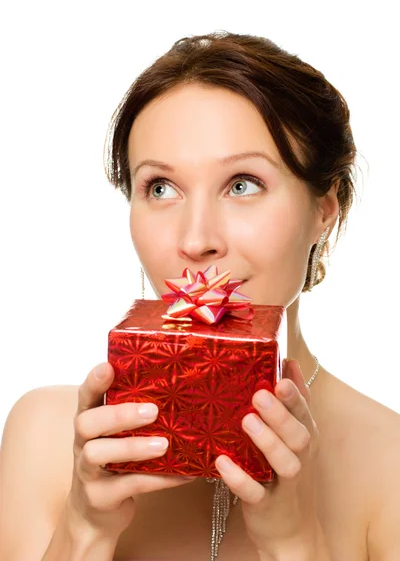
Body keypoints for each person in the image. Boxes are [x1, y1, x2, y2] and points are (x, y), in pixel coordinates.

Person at [1, 30, 399, 561]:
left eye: (242, 184)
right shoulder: (42, 436)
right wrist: (85, 530)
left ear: (325, 208)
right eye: (160, 188)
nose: (195, 241)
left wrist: (295, 544)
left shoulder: (389, 465)